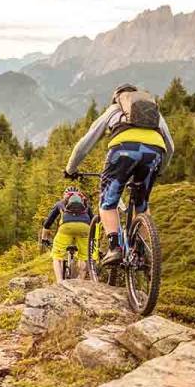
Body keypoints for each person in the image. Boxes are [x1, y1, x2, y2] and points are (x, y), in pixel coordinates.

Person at [64, 84, 174, 265]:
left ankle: (115, 248)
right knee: (141, 203)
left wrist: (70, 169)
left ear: (118, 97)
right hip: (155, 153)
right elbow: (170, 146)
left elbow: (85, 144)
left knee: (108, 202)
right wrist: (160, 169)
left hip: (123, 151)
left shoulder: (114, 109)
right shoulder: (154, 113)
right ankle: (144, 252)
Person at [41, 185, 93, 283]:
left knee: (57, 256)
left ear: (65, 196)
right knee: (84, 256)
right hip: (84, 228)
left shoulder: (60, 204)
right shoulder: (86, 204)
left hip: (66, 228)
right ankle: (81, 281)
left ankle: (60, 282)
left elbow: (47, 223)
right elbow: (94, 220)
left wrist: (44, 239)